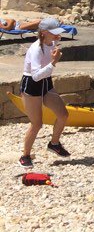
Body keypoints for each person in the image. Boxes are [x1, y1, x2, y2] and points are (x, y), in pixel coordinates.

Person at [19, 18, 72, 168]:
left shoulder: (52, 42)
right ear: (43, 33)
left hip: (46, 83)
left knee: (63, 115)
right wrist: (54, 62)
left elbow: (47, 65)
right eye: (54, 33)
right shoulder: (35, 49)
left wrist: (53, 58)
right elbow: (35, 76)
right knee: (37, 124)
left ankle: (54, 143)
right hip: (32, 85)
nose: (57, 35)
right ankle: (25, 156)